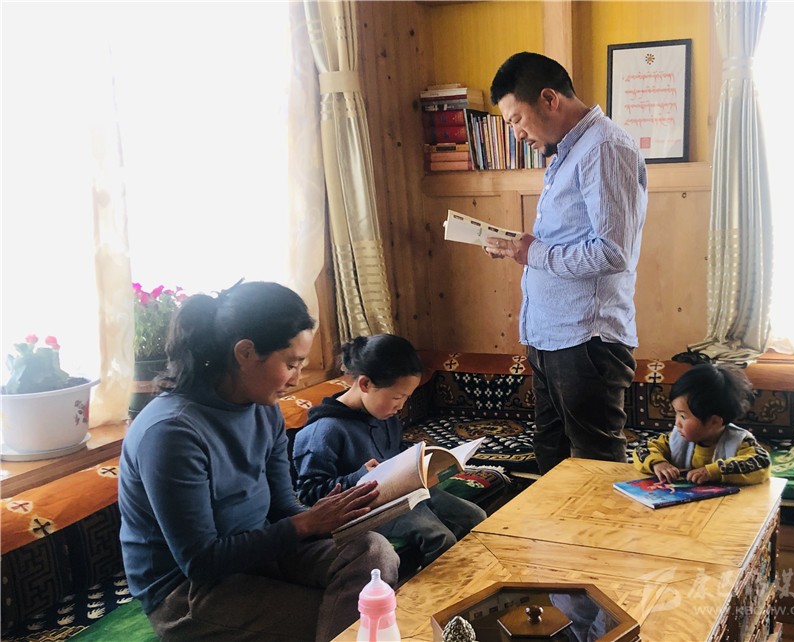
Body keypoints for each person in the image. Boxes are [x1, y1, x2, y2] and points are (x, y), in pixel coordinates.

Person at [118, 281, 399, 642]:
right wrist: (306, 523)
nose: (297, 378)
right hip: (187, 591)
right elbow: (201, 562)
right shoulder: (172, 432)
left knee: (373, 551)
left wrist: (336, 515)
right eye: (291, 364)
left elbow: (282, 508)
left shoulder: (264, 411)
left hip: (257, 556)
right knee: (353, 612)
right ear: (245, 352)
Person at [485, 52, 648, 473]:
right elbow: (570, 242)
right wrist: (523, 248)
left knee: (596, 468)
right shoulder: (567, 154)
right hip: (552, 336)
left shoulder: (605, 147)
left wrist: (532, 253)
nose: (517, 134)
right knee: (551, 460)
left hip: (586, 341)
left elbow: (612, 252)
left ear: (549, 99)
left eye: (516, 120)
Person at [293, 334, 486, 569]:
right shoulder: (323, 431)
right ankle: (434, 589)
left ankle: (476, 576)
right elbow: (310, 494)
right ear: (365, 384)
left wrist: (422, 463)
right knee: (439, 537)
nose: (401, 406)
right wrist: (358, 477)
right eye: (397, 397)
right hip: (365, 510)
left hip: (402, 494)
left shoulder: (384, 415)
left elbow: (393, 453)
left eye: (406, 397)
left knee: (475, 518)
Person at [632, 363, 771, 485]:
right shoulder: (675, 440)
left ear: (714, 422)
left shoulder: (740, 442)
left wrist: (713, 472)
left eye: (683, 416)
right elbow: (641, 449)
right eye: (676, 414)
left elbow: (762, 463)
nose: (677, 423)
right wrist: (658, 463)